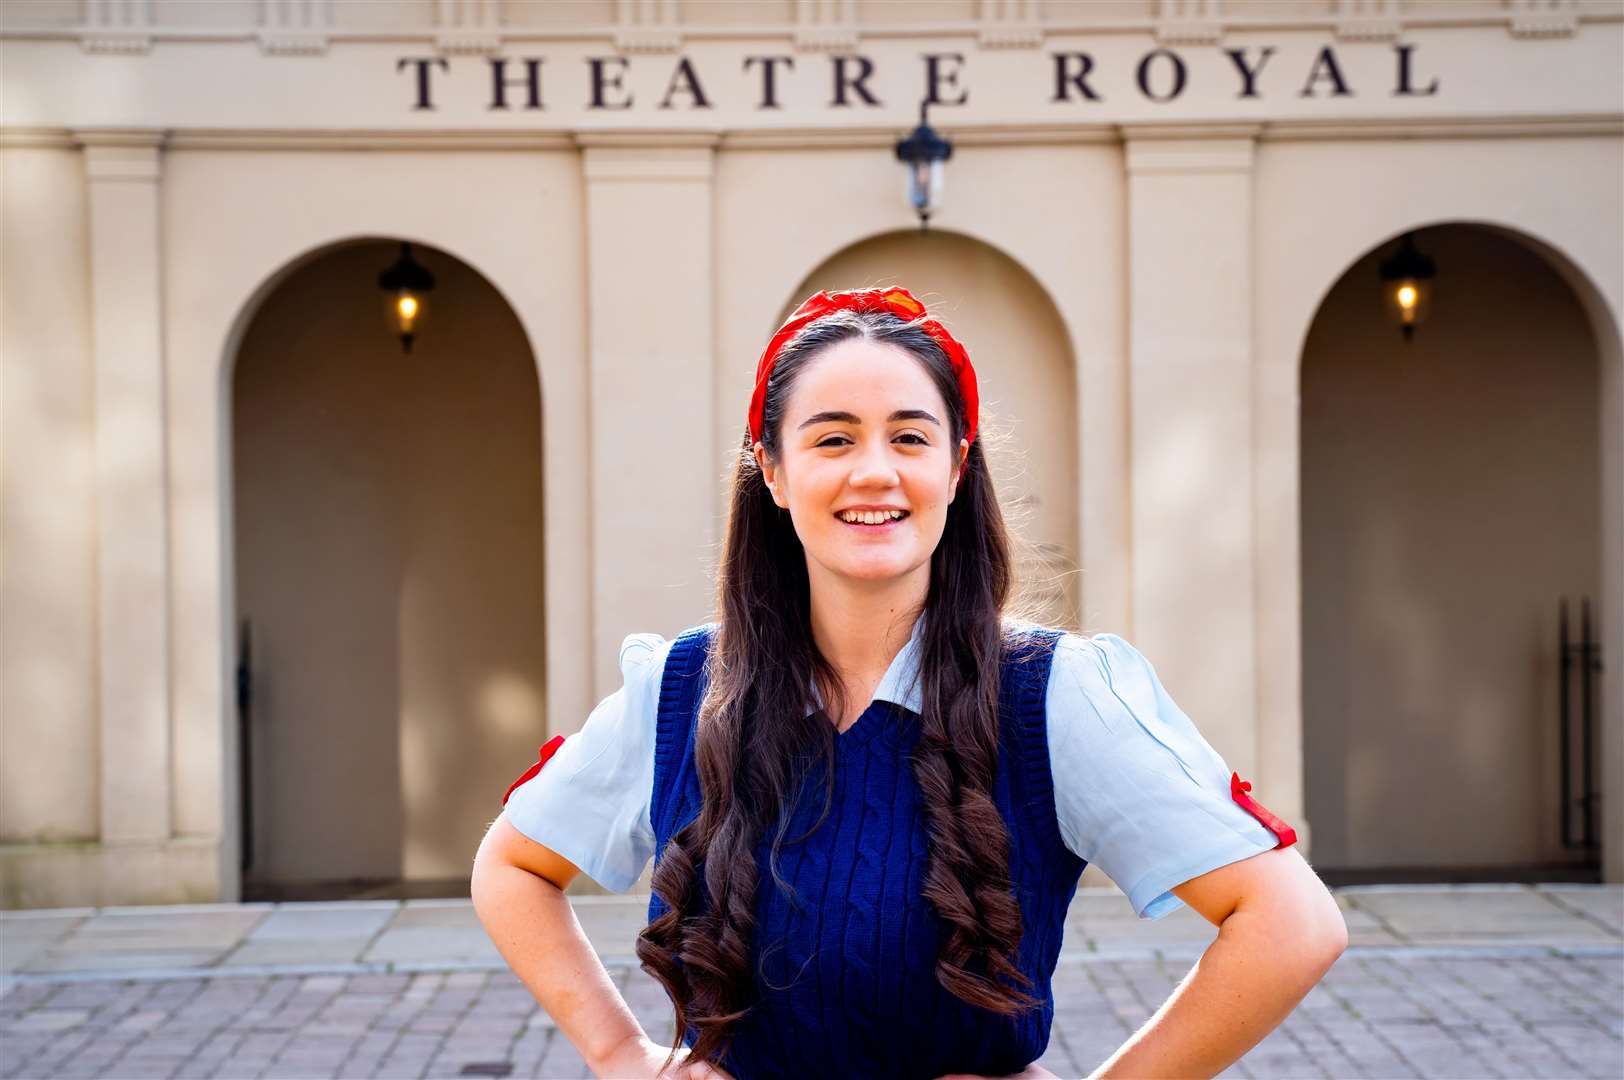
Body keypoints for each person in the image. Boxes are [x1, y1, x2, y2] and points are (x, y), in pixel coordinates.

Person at [471, 286, 1347, 1080]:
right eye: (833, 438)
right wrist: (620, 1052)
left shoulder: (1053, 695)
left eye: (911, 436)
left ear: (957, 468)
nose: (875, 471)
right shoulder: (681, 687)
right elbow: (512, 865)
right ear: (772, 472)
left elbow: (1291, 924)